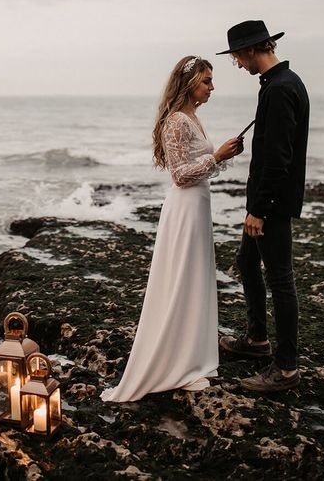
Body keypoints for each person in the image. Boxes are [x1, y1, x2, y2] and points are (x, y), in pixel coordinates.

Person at [101, 55, 243, 402]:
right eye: (207, 80)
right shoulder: (176, 121)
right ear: (189, 83)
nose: (212, 87)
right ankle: (176, 362)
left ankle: (192, 358)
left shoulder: (193, 117)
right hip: (184, 209)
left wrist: (222, 154)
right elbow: (180, 175)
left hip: (198, 207)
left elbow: (197, 166)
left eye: (211, 80)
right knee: (181, 281)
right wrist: (218, 156)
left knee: (195, 280)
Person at [217, 20, 309, 393]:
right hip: (263, 200)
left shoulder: (280, 90)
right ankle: (257, 340)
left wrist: (259, 211)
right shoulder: (279, 84)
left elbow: (278, 159)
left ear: (252, 50)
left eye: (238, 56)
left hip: (271, 205)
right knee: (245, 262)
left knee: (281, 281)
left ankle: (286, 368)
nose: (238, 64)